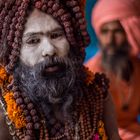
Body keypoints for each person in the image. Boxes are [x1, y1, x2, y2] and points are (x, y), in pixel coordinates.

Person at [0, 0, 119, 140]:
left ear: (71, 40)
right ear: (15, 52)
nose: (49, 50)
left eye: (56, 35)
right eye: (33, 41)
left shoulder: (97, 95)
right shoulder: (5, 114)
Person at [86, 0, 140, 139]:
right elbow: (95, 128)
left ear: (129, 32)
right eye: (105, 32)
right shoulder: (90, 74)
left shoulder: (137, 68)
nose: (110, 40)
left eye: (117, 31)